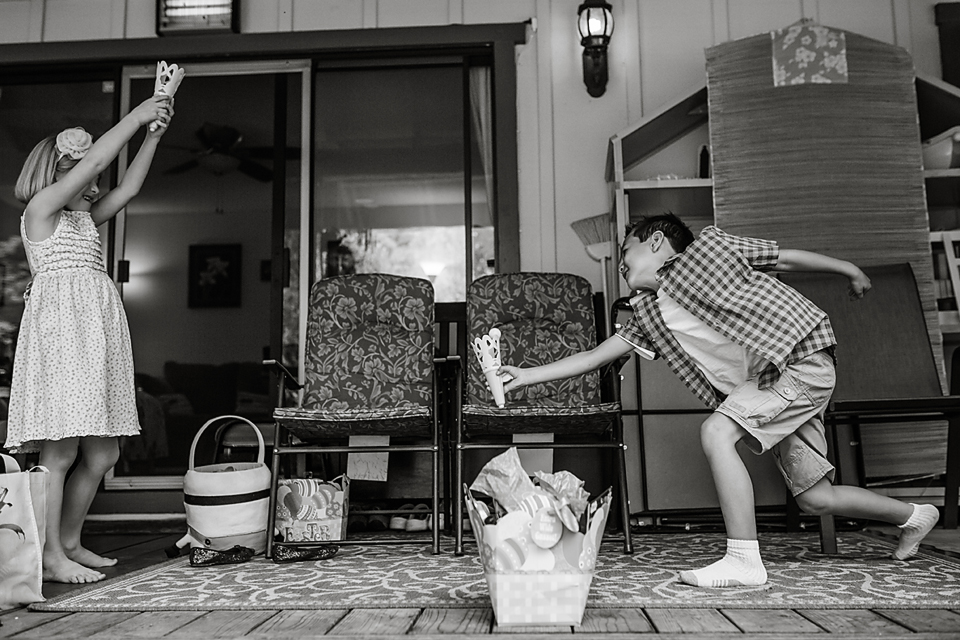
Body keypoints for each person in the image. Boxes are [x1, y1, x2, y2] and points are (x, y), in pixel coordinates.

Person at [498, 212, 941, 588]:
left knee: (716, 431)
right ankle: (915, 515)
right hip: (772, 384)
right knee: (816, 499)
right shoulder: (648, 313)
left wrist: (849, 268)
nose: (620, 262)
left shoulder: (711, 250)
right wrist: (525, 376)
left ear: (656, 242)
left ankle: (745, 560)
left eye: (626, 251)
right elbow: (597, 356)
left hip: (800, 363)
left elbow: (782, 257)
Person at [3, 95, 175, 584]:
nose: (95, 185)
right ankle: (50, 554)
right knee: (59, 453)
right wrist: (138, 114)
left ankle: (71, 542)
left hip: (95, 333)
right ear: (58, 174)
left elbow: (129, 187)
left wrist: (153, 136)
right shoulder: (40, 212)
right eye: (84, 176)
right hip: (62, 335)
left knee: (103, 453)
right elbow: (100, 160)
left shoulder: (82, 220)